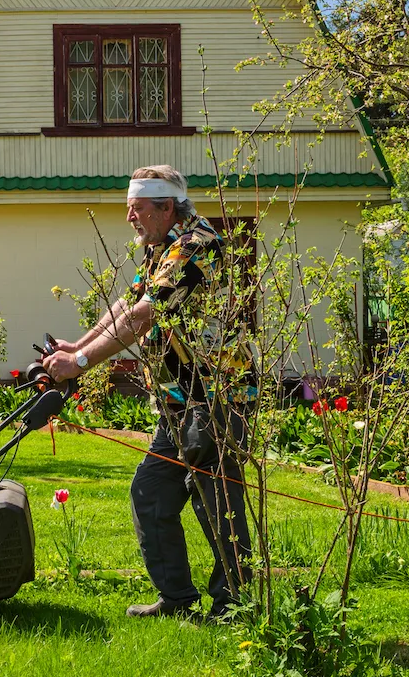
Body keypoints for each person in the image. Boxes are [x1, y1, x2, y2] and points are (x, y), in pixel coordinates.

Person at [42, 165, 252, 622]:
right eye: (129, 209)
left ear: (166, 207)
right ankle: (177, 600)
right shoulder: (161, 250)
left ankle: (235, 604)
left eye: (136, 209)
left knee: (217, 505)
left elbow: (143, 316)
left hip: (215, 399)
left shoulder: (198, 247)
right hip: (178, 403)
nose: (129, 218)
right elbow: (126, 303)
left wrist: (79, 365)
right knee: (152, 493)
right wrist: (76, 345)